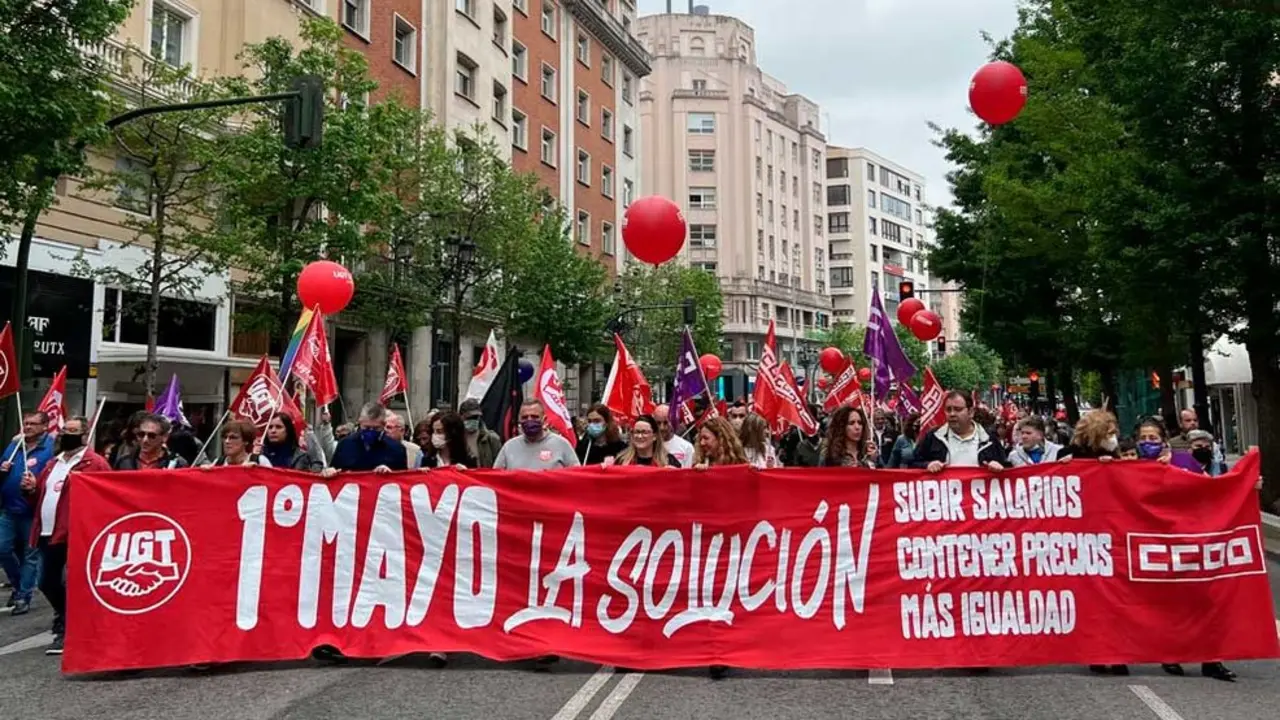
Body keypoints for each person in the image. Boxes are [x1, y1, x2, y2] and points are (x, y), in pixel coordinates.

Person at [24, 416, 110, 654]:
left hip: (76, 532)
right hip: (48, 531)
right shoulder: (53, 463)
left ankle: (69, 628)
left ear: (84, 435)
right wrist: (30, 489)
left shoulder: (95, 463)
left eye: (72, 431)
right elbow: (40, 496)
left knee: (73, 582)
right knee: (46, 581)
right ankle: (66, 617)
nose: (65, 434)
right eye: (64, 430)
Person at [690, 414, 747, 680]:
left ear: (720, 439)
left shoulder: (739, 465)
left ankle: (724, 651)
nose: (702, 443)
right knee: (709, 595)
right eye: (700, 439)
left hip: (731, 543)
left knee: (727, 597)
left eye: (706, 438)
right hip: (704, 542)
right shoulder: (697, 463)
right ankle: (713, 650)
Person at [0, 411, 56, 616]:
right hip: (9, 508)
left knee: (30, 556)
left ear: (44, 427)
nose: (28, 427)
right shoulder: (15, 446)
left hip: (33, 510)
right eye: (25, 423)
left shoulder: (50, 448)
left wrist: (36, 483)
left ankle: (24, 596)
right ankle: (17, 585)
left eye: (33, 424)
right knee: (2, 549)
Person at [912, 391, 1008, 473]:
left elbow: (1007, 470)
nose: (952, 414)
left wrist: (997, 467)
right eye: (948, 410)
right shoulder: (933, 437)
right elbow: (912, 463)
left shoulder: (989, 439)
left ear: (971, 412)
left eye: (958, 409)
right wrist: (927, 465)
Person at [322, 402, 408, 477]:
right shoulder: (345, 444)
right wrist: (329, 472)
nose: (370, 431)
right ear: (360, 422)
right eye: (366, 427)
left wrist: (391, 474)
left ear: (384, 425)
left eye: (375, 428)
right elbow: (334, 471)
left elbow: (403, 482)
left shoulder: (397, 449)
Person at [494, 400, 580, 471]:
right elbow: (495, 477)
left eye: (535, 417)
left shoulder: (562, 444)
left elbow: (576, 476)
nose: (529, 420)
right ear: (519, 420)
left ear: (544, 419)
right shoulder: (509, 447)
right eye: (525, 417)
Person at [111, 414, 189, 470]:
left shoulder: (178, 464)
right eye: (141, 434)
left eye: (151, 436)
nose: (145, 440)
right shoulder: (123, 462)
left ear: (165, 437)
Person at [615, 415, 681, 467]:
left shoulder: (669, 461)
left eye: (644, 432)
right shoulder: (621, 460)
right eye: (636, 432)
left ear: (654, 436)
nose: (640, 436)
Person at [202, 421, 271, 467]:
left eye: (233, 437)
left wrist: (257, 472)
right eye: (225, 437)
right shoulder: (218, 463)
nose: (227, 441)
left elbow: (273, 483)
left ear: (246, 441)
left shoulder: (260, 461)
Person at [458, 399, 503, 468]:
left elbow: (499, 466)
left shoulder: (491, 439)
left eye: (475, 417)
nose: (473, 420)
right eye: (469, 417)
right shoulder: (455, 438)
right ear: (461, 416)